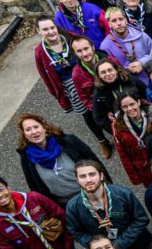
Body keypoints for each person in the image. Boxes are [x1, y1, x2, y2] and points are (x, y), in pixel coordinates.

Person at [34, 17, 113, 158]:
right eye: (45, 29)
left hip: (88, 74)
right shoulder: (40, 52)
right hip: (69, 85)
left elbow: (89, 50)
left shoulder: (71, 37)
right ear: (39, 31)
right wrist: (57, 95)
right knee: (88, 114)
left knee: (106, 103)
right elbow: (45, 76)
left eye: (52, 27)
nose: (50, 31)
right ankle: (102, 141)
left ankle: (116, 132)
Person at [17, 114, 107, 207]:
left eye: (36, 127)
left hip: (93, 193)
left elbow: (95, 163)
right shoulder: (27, 157)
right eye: (28, 129)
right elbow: (33, 186)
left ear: (44, 128)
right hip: (66, 205)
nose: (34, 132)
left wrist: (108, 186)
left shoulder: (68, 141)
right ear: (25, 135)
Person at [66, 159, 151, 249]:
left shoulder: (123, 194)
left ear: (101, 175)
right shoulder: (73, 206)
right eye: (82, 176)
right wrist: (99, 246)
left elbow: (141, 219)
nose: (88, 180)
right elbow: (76, 232)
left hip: (139, 245)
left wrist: (118, 244)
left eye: (92, 174)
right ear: (77, 180)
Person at [110, 94, 152, 186]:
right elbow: (123, 154)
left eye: (132, 104)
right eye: (125, 107)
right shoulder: (117, 126)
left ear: (138, 102)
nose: (129, 109)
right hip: (143, 167)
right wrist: (134, 177)